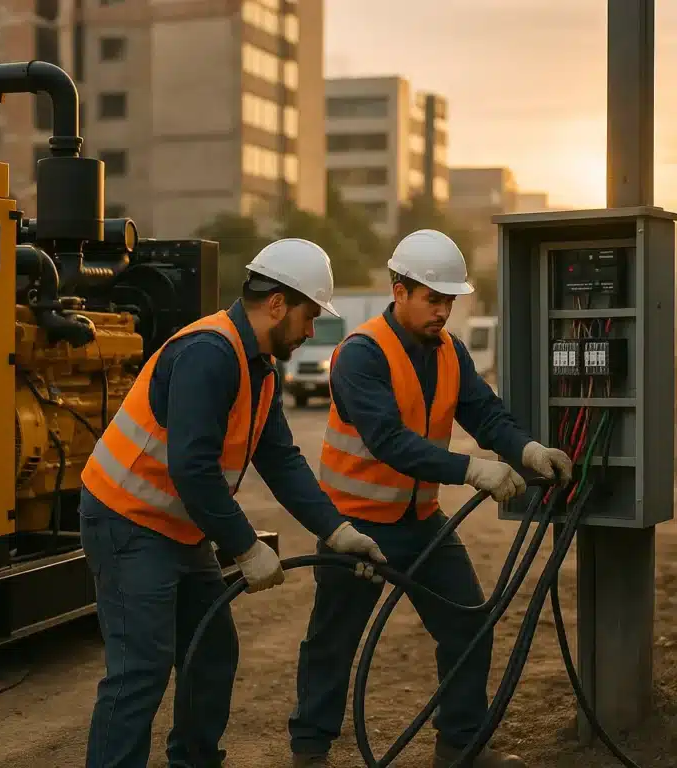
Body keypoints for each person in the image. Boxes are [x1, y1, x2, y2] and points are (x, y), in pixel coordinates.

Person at [78, 237, 387, 768]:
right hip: (126, 522)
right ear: (276, 303)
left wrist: (338, 531)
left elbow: (282, 460)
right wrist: (245, 547)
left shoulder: (259, 364)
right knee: (140, 671)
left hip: (179, 526)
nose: (312, 330)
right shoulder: (210, 353)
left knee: (211, 654)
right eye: (309, 315)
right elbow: (192, 468)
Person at [287, 229, 573, 768]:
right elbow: (390, 441)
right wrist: (472, 470)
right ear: (399, 291)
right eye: (432, 299)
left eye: (449, 301)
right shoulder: (360, 356)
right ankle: (310, 752)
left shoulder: (449, 353)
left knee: (467, 623)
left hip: (420, 521)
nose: (443, 312)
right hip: (355, 524)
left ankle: (459, 746)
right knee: (333, 642)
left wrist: (528, 450)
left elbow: (485, 414)